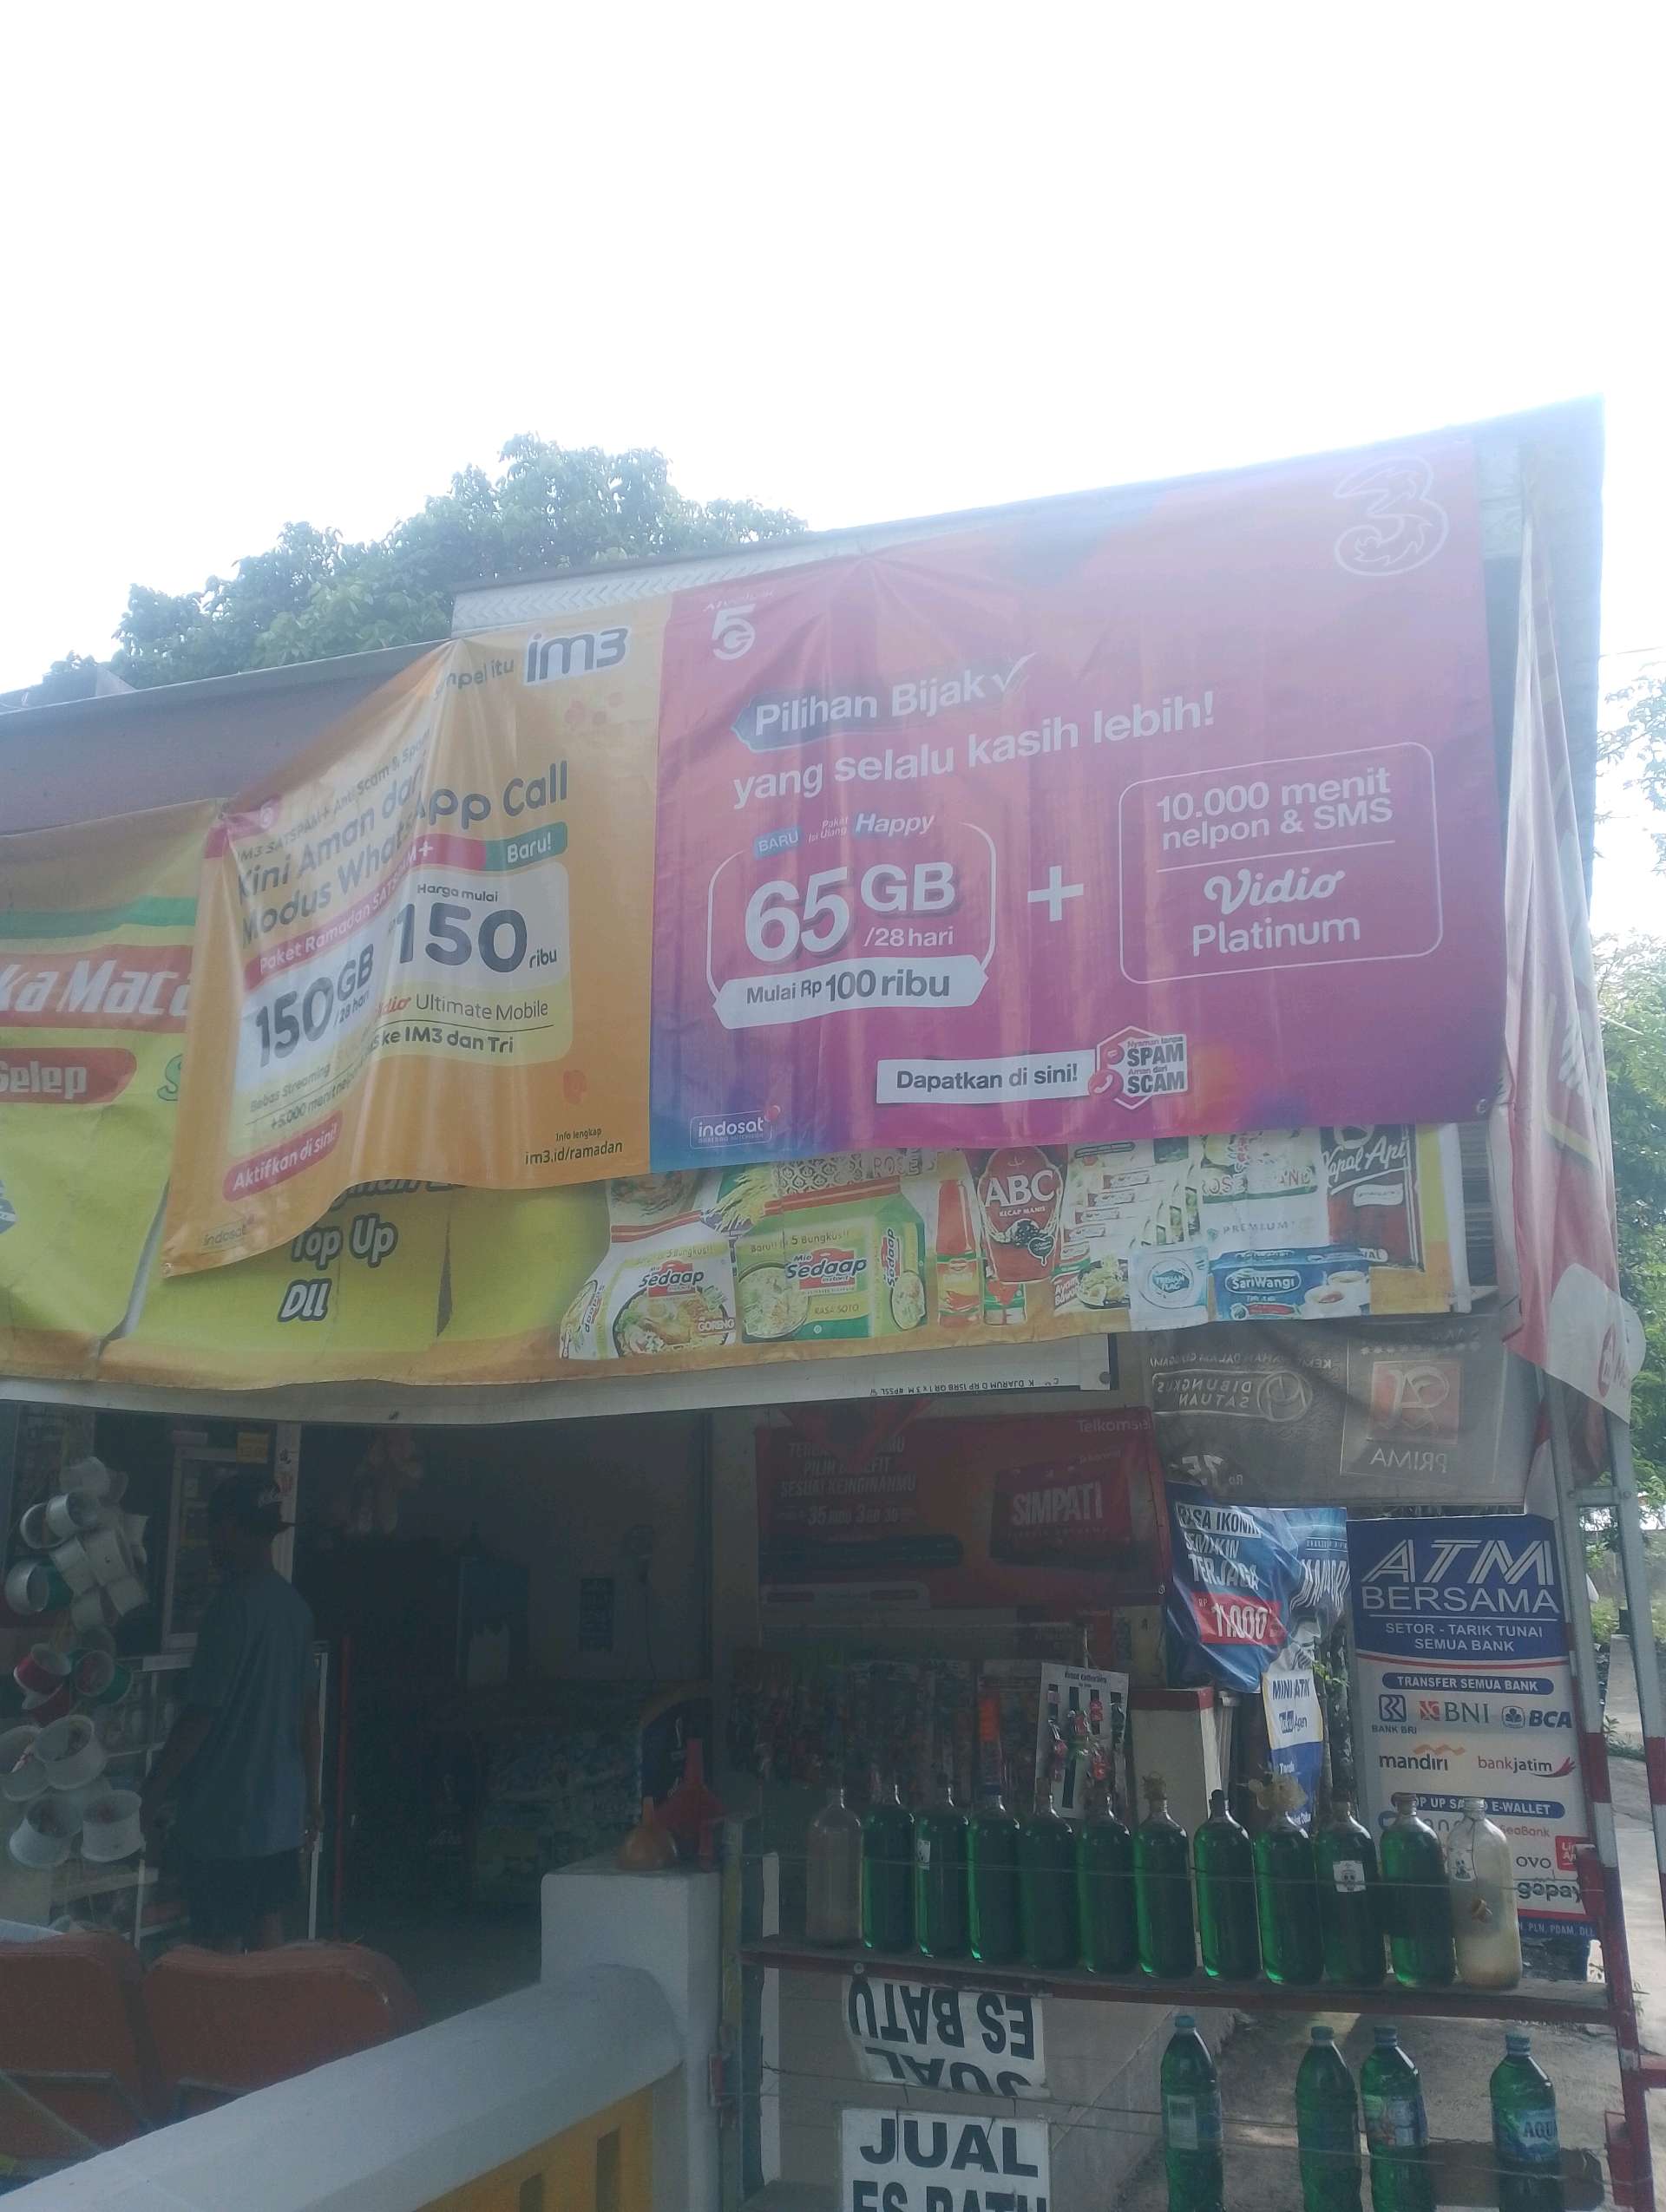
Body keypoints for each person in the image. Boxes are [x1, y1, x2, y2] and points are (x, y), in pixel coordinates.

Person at [141, 1472, 321, 1952]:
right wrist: (312, 1798)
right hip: (279, 1819)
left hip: (224, 1821)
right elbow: (309, 1715)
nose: (209, 1542)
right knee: (267, 1931)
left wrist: (152, 1792)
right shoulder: (295, 1608)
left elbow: (201, 1717)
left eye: (212, 1528)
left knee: (218, 1948)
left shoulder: (230, 1609)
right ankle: (267, 2005)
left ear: (231, 1528)